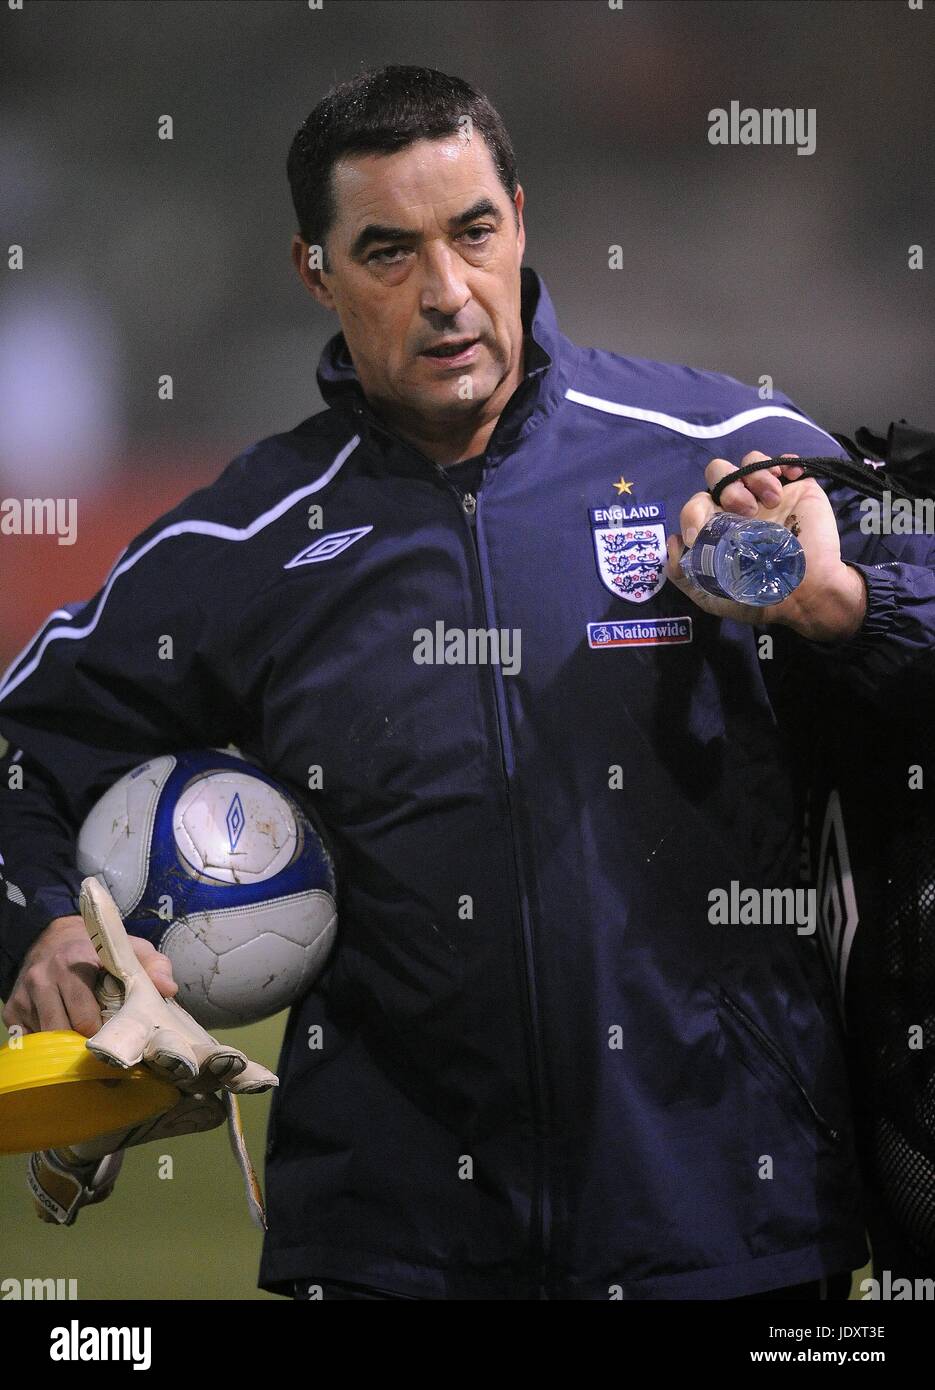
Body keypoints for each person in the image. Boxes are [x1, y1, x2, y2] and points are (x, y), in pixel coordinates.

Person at [1, 64, 933, 1301]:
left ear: (520, 222)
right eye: (385, 251)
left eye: (472, 232)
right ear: (313, 274)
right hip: (395, 1256)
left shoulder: (721, 458)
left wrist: (846, 607)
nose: (444, 293)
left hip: (733, 1230)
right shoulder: (242, 547)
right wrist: (42, 926)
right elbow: (21, 750)